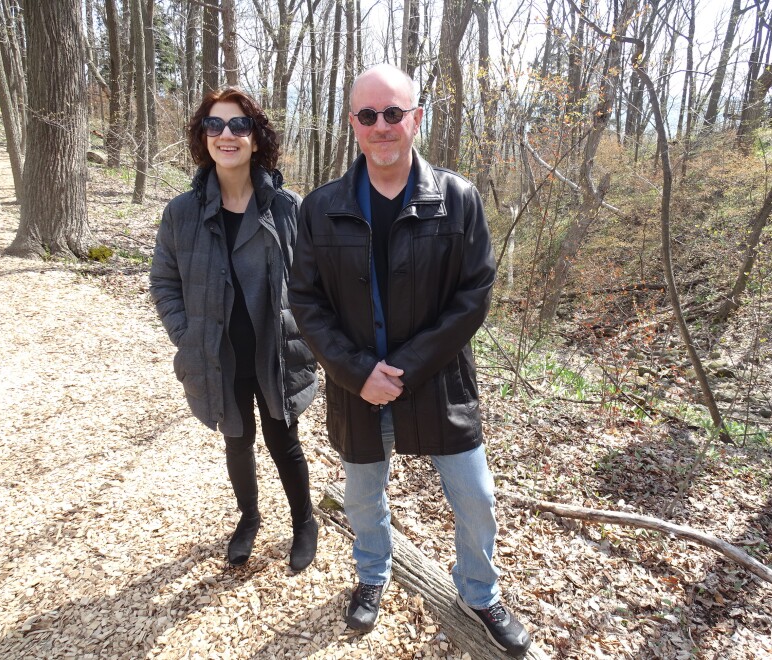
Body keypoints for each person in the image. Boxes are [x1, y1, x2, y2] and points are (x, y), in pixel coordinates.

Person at [289, 64, 531, 657]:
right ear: (352, 125)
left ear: (416, 119)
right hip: (357, 387)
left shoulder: (456, 199)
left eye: (393, 113)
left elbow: (474, 296)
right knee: (363, 496)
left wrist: (406, 368)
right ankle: (372, 572)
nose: (381, 126)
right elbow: (306, 301)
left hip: (439, 381)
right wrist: (354, 371)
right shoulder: (320, 208)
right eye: (367, 115)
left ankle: (479, 590)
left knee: (475, 497)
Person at [150, 88, 319, 572]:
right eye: (215, 125)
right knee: (236, 439)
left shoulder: (287, 207)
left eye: (239, 125)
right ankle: (248, 519)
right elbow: (163, 282)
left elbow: (313, 283)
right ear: (203, 136)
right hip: (217, 353)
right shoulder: (182, 214)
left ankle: (304, 522)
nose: (227, 135)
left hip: (275, 351)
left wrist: (303, 335)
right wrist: (188, 335)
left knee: (283, 439)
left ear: (255, 137)